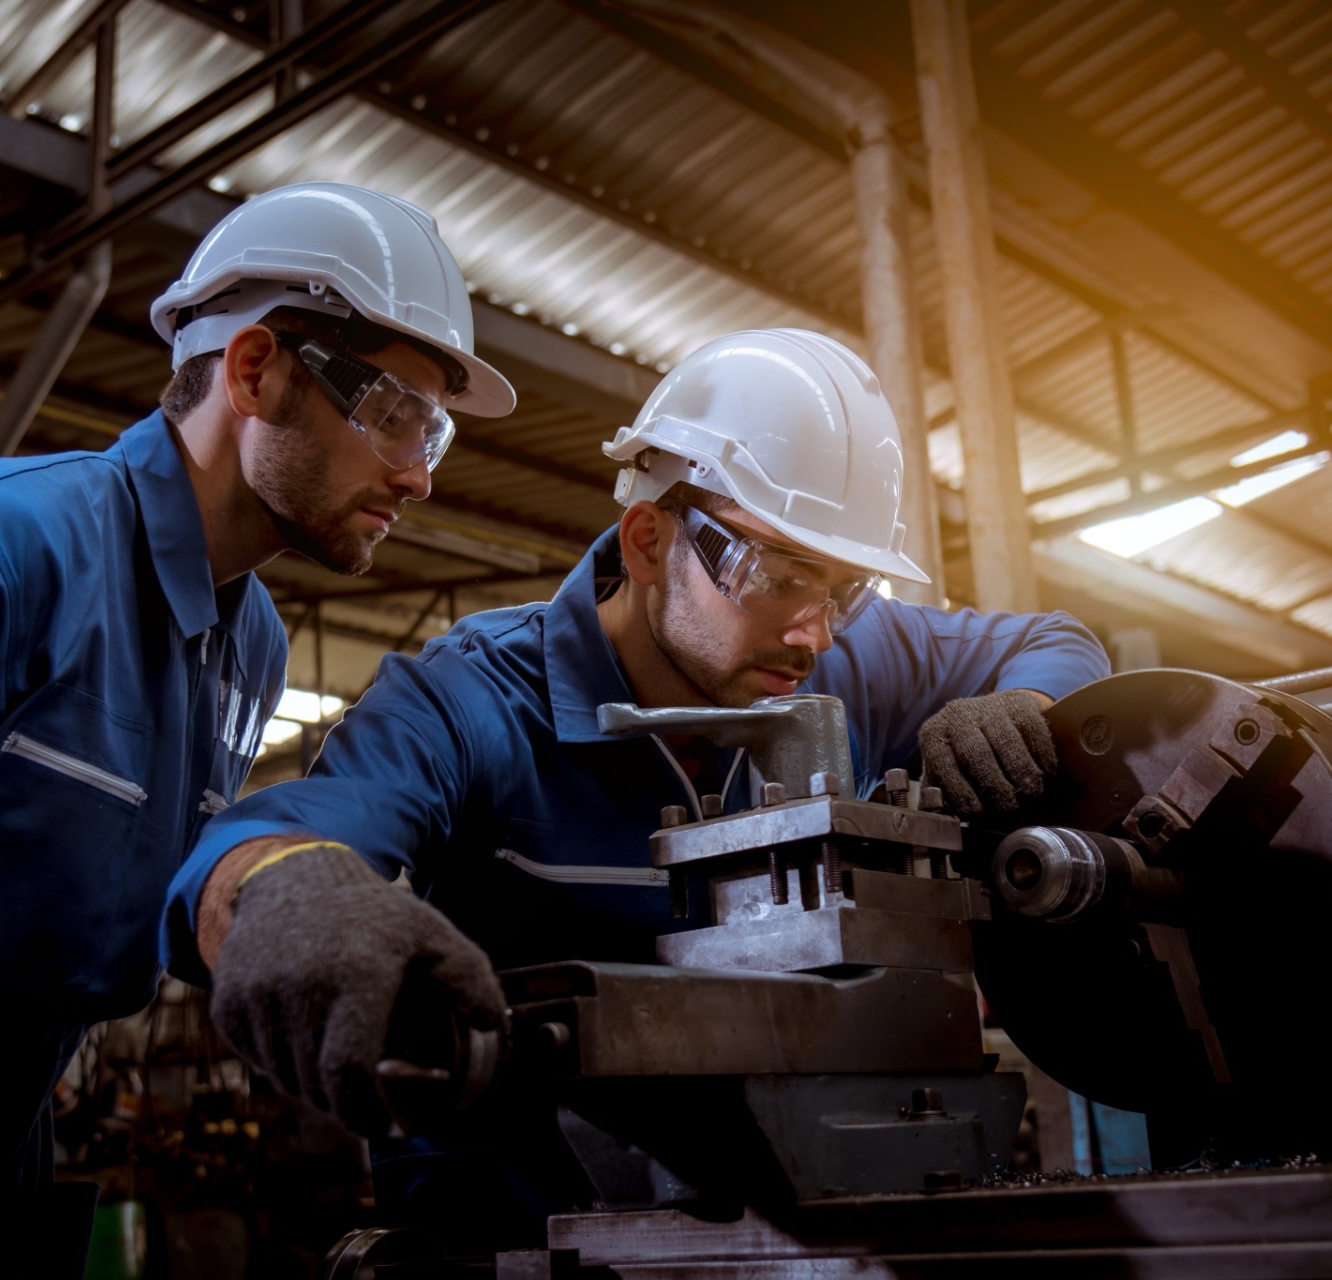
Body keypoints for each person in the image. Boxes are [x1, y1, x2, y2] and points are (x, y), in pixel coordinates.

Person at [162, 328, 1110, 1240]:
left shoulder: (838, 652)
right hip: (523, 1235)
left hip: (812, 1214)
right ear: (650, 539)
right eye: (774, 573)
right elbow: (271, 840)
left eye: (845, 590)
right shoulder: (474, 698)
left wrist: (1026, 702)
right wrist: (285, 890)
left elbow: (1055, 640)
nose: (815, 632)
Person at [0, 182, 513, 1278]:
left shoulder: (251, 650)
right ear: (254, 368)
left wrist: (269, 922)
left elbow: (103, 891)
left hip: (2, 1140)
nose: (419, 473)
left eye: (433, 430)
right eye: (392, 412)